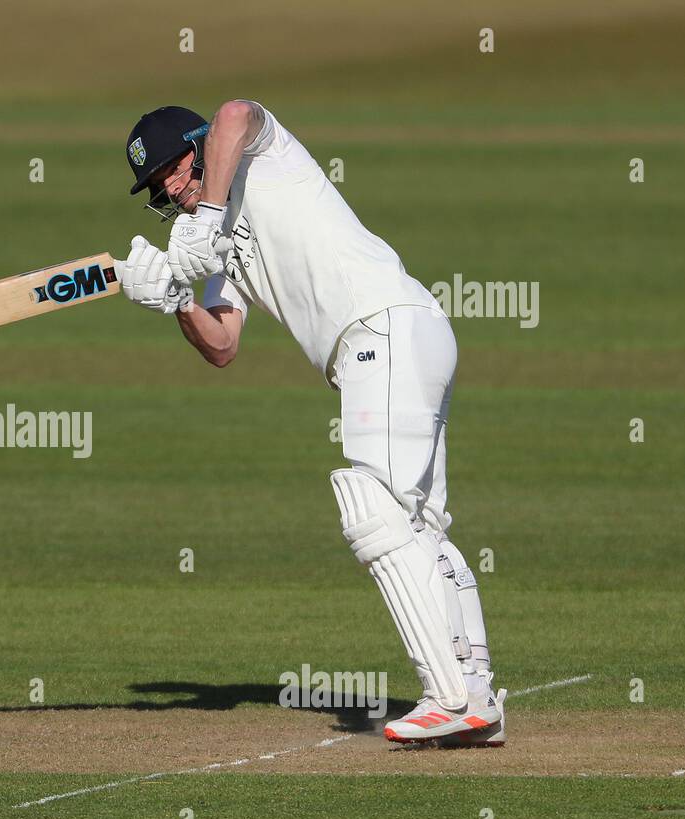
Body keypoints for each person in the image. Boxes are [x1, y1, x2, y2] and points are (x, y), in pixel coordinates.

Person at [117, 101, 505, 746]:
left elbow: (237, 111)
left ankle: (448, 698)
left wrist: (208, 212)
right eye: (159, 188)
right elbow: (222, 344)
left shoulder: (261, 154)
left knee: (374, 511)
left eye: (175, 170)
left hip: (380, 325)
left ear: (200, 146)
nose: (173, 190)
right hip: (401, 336)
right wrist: (176, 299)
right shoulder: (202, 242)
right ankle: (477, 695)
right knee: (418, 524)